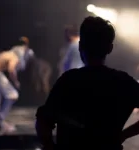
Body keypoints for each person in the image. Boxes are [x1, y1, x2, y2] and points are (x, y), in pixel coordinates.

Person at [36, 16, 139, 150]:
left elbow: (43, 122)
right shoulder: (124, 82)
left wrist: (50, 146)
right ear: (110, 48)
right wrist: (123, 135)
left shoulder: (68, 81)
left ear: (80, 46)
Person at [0, 36, 34, 132]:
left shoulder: (4, 54)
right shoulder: (14, 56)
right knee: (12, 95)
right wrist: (16, 81)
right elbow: (11, 69)